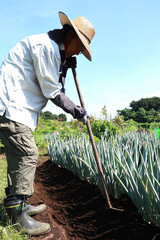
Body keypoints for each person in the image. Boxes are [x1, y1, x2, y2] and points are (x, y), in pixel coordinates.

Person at [0, 11, 95, 236]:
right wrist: (77, 111)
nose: (79, 53)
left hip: (17, 107)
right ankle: (18, 216)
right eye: (79, 47)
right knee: (28, 154)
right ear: (70, 36)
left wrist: (63, 64)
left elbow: (50, 78)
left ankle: (19, 205)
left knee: (18, 155)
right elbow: (52, 90)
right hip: (13, 106)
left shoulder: (51, 50)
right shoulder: (46, 48)